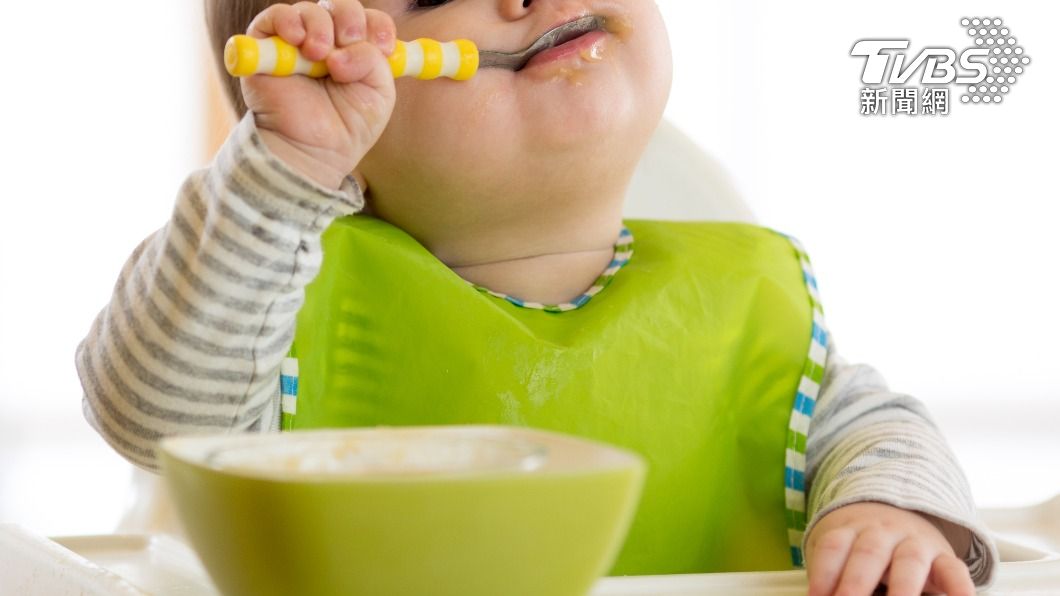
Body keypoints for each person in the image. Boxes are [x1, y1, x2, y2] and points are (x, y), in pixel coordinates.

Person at [75, 1, 999, 594]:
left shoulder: (747, 311)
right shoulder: (280, 319)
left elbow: (884, 434)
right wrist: (283, 171)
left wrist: (888, 521)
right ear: (341, 112)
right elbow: (152, 415)